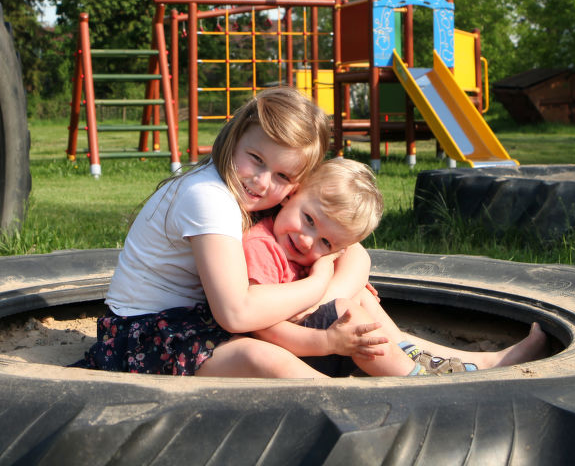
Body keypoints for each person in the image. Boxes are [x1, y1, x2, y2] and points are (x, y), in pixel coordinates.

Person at [75, 86, 383, 378]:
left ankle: (407, 360)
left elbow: (355, 253)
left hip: (198, 320)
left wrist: (320, 299)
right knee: (261, 357)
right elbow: (236, 314)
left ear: (295, 187)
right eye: (256, 159)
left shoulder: (258, 195)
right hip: (145, 332)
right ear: (234, 137)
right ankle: (342, 402)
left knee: (357, 298)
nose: (262, 181)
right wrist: (317, 283)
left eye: (282, 175)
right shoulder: (209, 196)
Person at [243, 157, 549, 376]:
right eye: (308, 219)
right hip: (295, 351)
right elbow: (260, 326)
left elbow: (355, 258)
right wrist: (327, 339)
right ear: (291, 196)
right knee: (345, 311)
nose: (307, 240)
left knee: (359, 296)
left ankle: (439, 359)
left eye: (326, 242)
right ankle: (413, 377)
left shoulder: (298, 245)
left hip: (314, 344)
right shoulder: (263, 247)